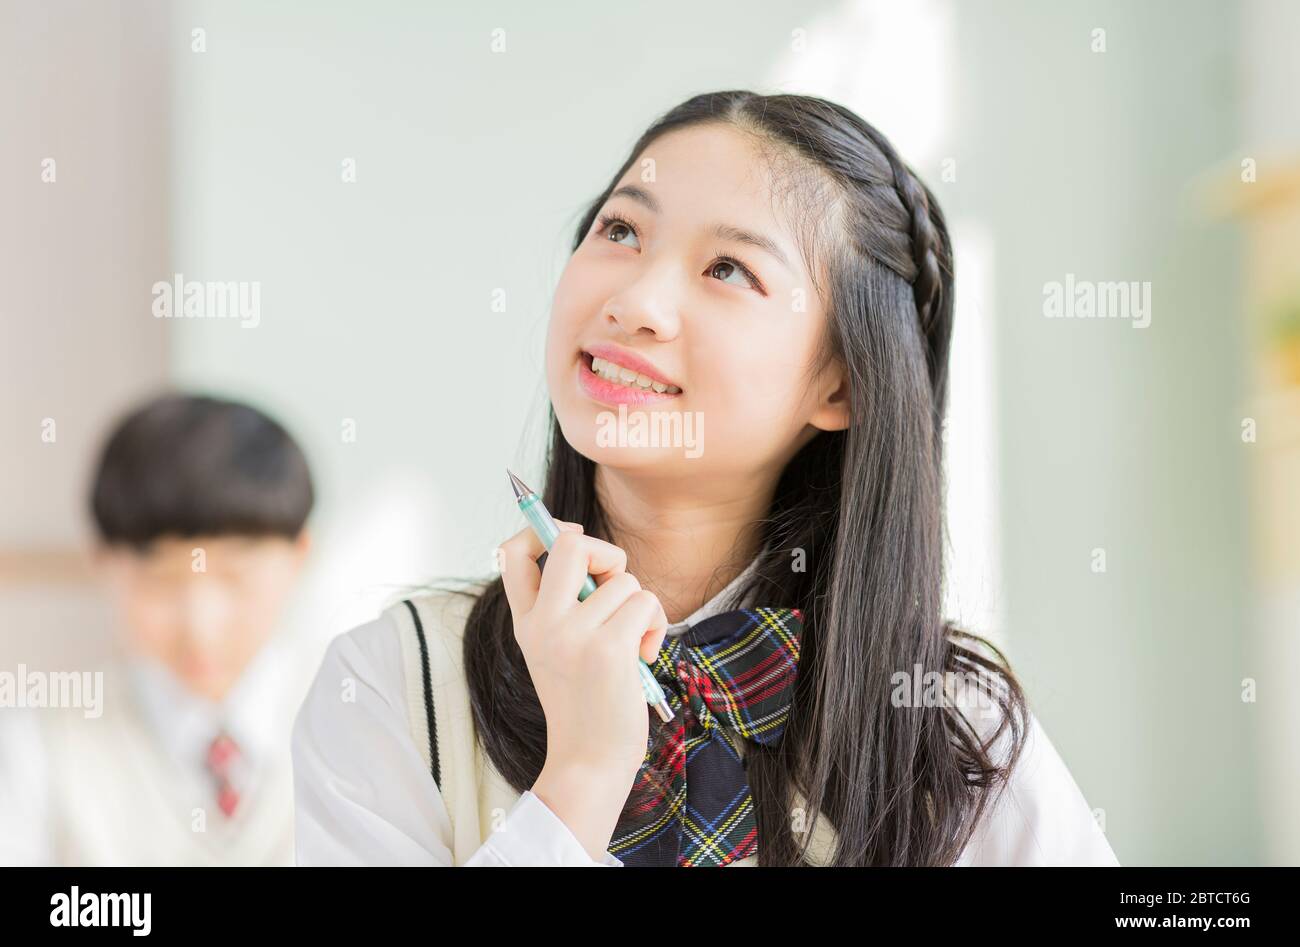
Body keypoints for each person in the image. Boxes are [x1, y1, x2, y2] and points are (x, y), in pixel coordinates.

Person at [291, 90, 1120, 866]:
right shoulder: (393, 686)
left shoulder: (949, 727)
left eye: (729, 270)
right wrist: (581, 773)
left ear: (842, 383)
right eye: (620, 231)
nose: (638, 300)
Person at [0, 392, 317, 865]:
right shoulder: (38, 743)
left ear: (298, 557)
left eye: (237, 577)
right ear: (101, 562)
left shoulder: (359, 719)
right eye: (160, 581)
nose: (200, 626)